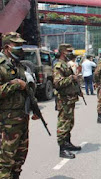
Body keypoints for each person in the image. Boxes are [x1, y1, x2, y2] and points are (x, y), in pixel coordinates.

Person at [0, 32, 32, 178]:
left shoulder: (18, 65)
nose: (21, 48)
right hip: (6, 122)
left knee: (19, 158)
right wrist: (16, 84)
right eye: (17, 45)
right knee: (5, 162)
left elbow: (26, 90)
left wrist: (34, 108)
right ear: (7, 47)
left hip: (21, 119)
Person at [53, 44, 82, 159]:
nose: (71, 53)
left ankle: (67, 143)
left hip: (70, 98)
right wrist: (72, 78)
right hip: (63, 100)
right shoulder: (59, 65)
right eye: (68, 51)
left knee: (69, 123)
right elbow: (57, 83)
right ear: (62, 52)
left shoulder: (66, 65)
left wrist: (77, 90)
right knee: (63, 123)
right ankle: (62, 149)